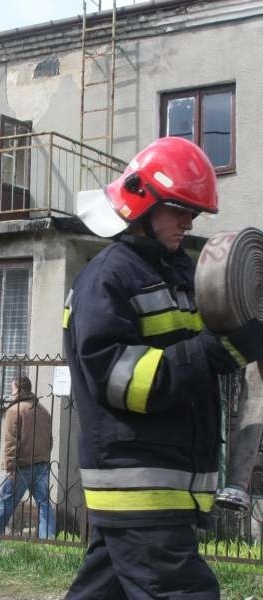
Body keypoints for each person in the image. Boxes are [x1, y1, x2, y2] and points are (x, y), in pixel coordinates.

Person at [63, 136, 263, 598]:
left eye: (193, 213)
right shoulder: (107, 277)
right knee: (183, 591)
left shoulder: (176, 276)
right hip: (138, 482)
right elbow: (115, 378)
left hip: (163, 480)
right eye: (178, 209)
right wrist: (220, 351)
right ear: (142, 202)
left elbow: (203, 347)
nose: (187, 222)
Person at [0, 376, 56, 543]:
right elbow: (49, 440)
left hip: (22, 466)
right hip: (42, 465)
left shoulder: (15, 411)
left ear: (19, 390)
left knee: (4, 503)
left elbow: (11, 442)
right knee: (44, 504)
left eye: (12, 389)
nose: (11, 393)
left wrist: (10, 467)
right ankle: (48, 542)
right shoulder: (43, 411)